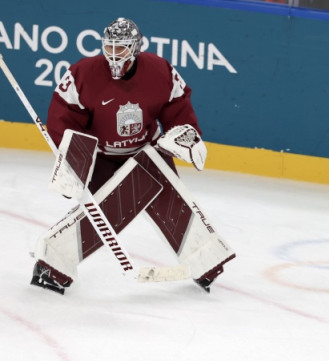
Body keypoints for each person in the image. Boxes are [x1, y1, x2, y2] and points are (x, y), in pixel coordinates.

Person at [31, 17, 235, 294]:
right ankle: (53, 265)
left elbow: (178, 107)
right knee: (103, 212)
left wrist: (184, 135)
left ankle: (206, 260)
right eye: (110, 47)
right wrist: (73, 160)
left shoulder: (160, 71)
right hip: (102, 156)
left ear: (136, 48)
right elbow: (63, 117)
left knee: (172, 204)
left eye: (121, 49)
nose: (114, 55)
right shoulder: (83, 73)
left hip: (147, 151)